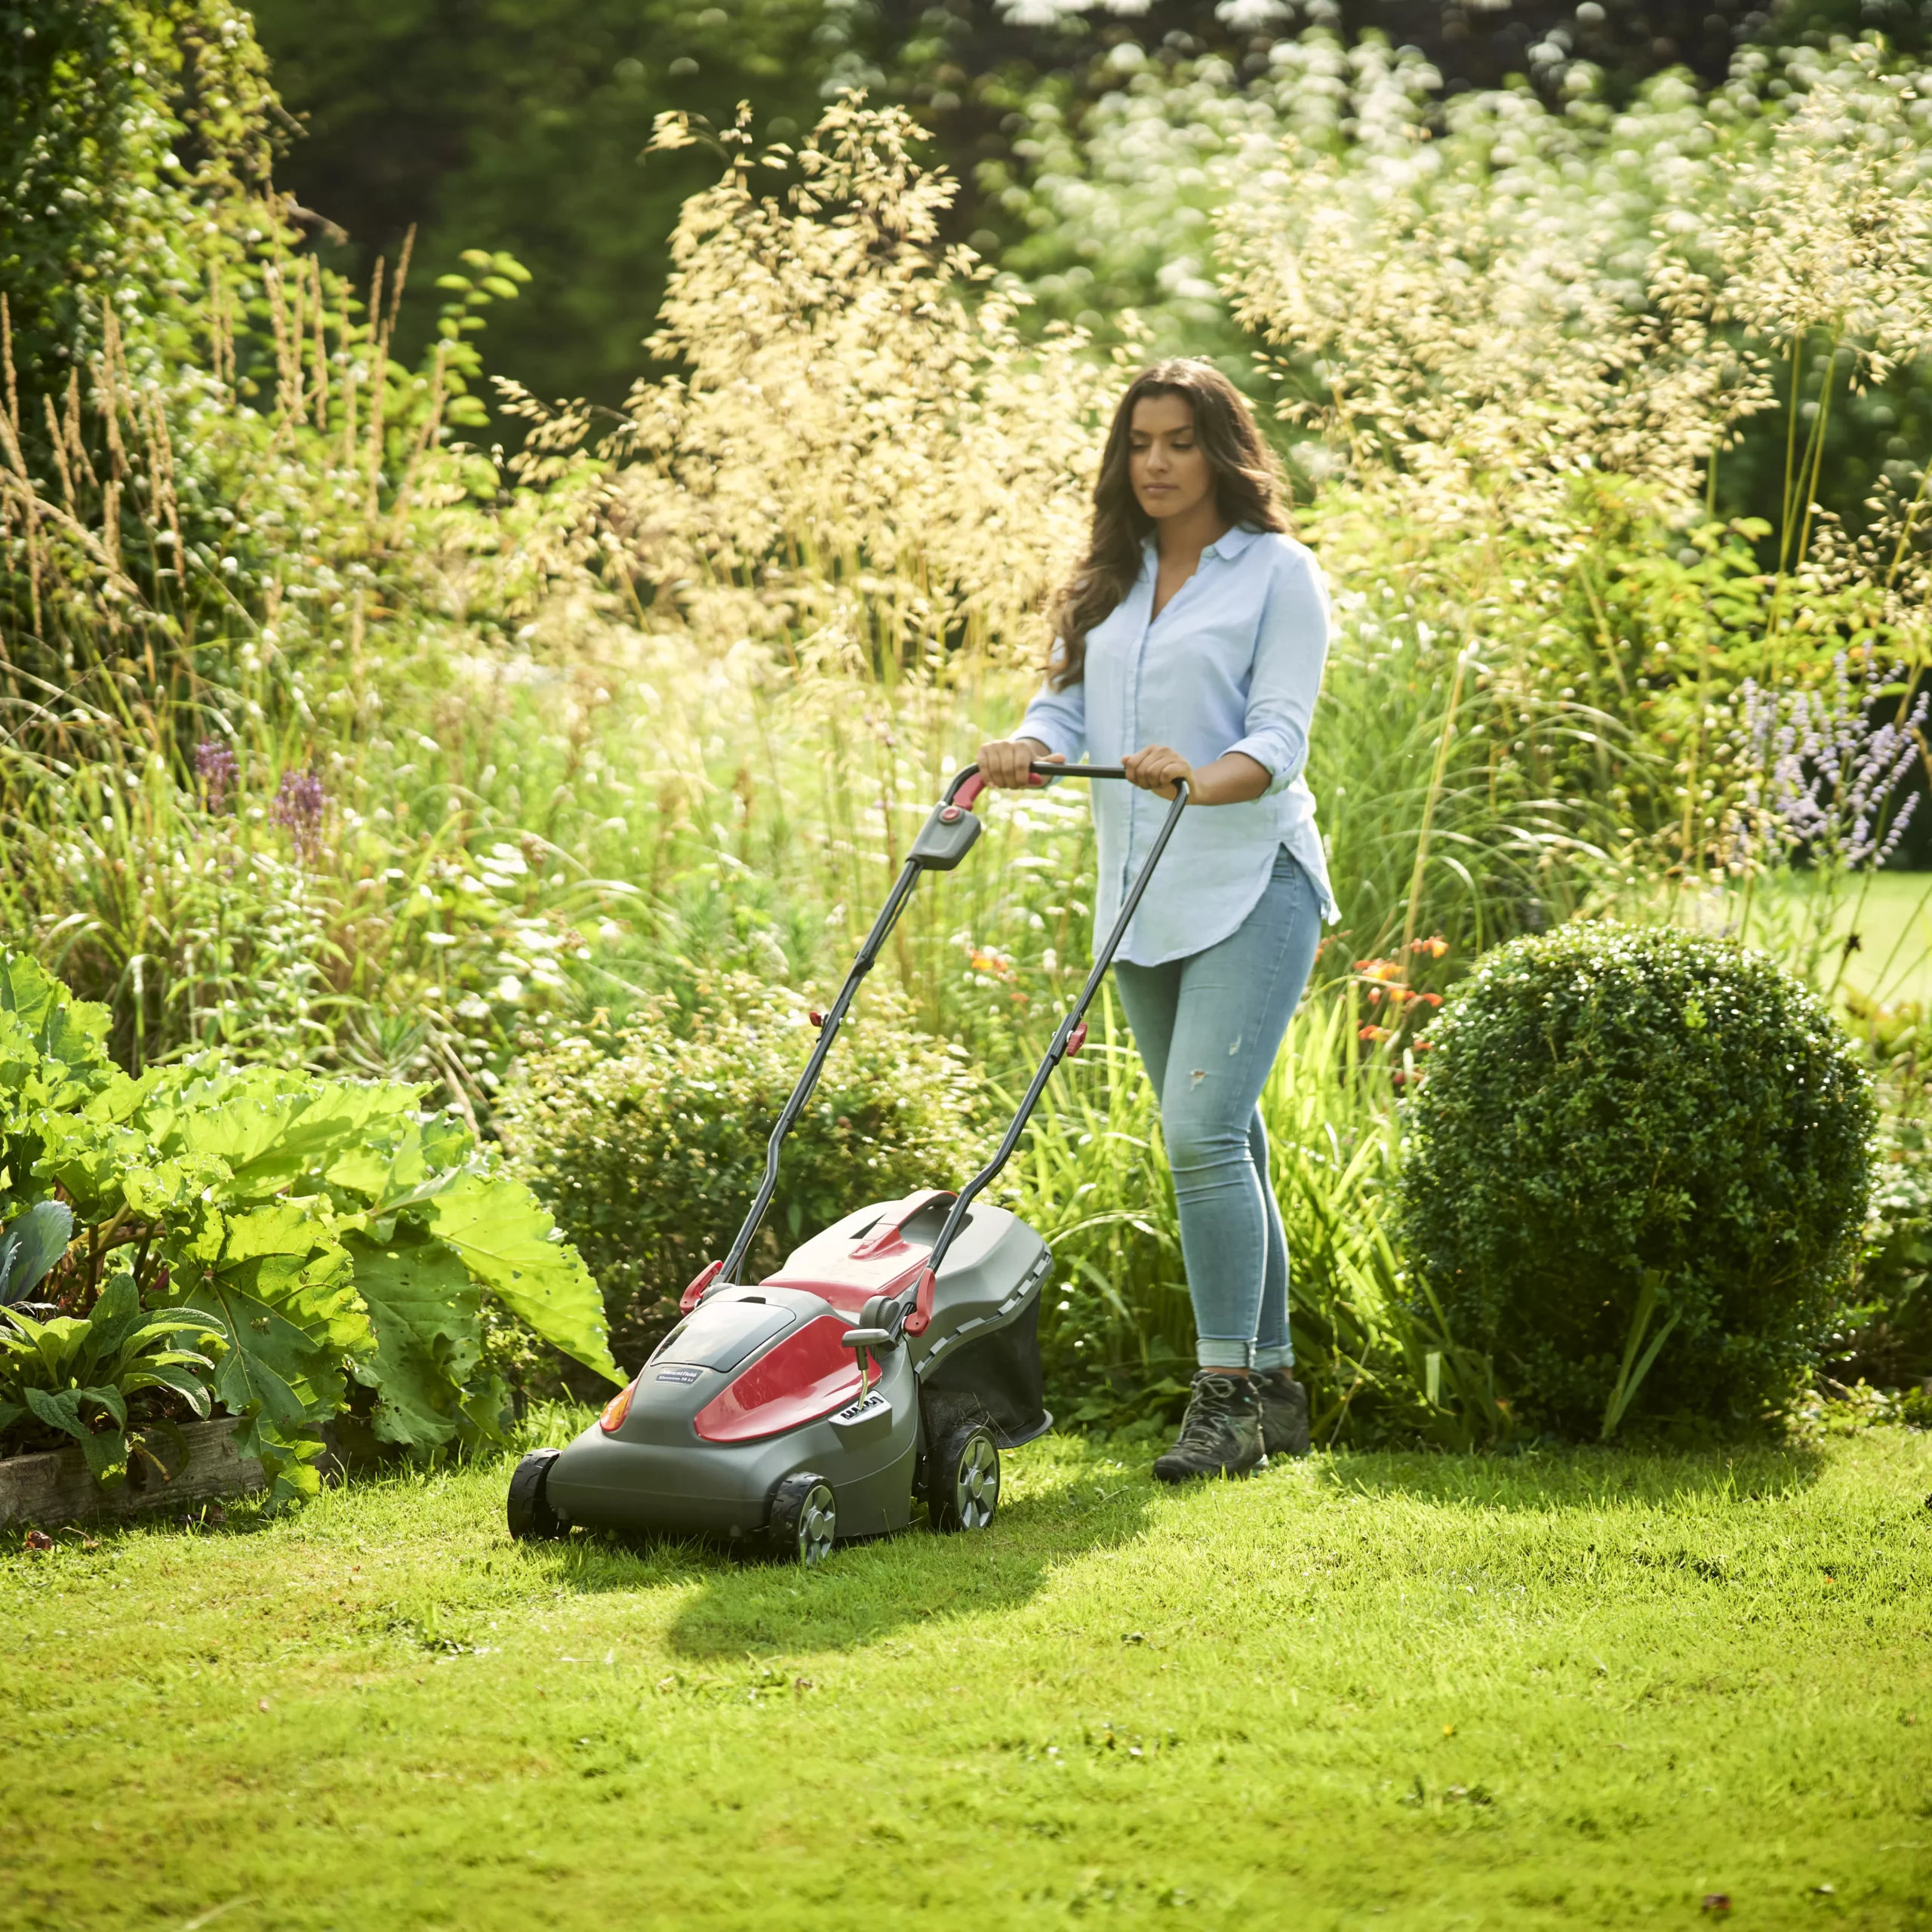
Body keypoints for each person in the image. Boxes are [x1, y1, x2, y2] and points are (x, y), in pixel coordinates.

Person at [977, 359, 1335, 1484]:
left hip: (1249, 879)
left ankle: (1224, 1402)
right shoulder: (1110, 574)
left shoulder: (1280, 573)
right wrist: (1029, 743)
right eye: (1140, 442)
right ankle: (1272, 1391)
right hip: (1139, 898)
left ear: (1222, 451)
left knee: (1199, 1138)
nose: (1158, 463)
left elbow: (1279, 739)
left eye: (1180, 441)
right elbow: (1066, 699)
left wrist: (1196, 777)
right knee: (1229, 1139)